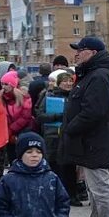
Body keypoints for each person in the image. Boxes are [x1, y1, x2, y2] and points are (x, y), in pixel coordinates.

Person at [60, 36, 109, 217]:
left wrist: (70, 128)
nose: (77, 53)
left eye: (81, 50)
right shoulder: (92, 74)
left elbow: (92, 112)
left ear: (93, 53)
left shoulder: (98, 76)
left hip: (96, 142)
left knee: (100, 191)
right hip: (90, 142)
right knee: (94, 191)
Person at [35, 71, 79, 207]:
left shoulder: (75, 97)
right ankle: (54, 196)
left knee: (69, 167)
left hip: (70, 136)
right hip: (52, 136)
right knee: (54, 166)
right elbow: (39, 115)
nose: (68, 83)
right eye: (65, 81)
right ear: (59, 83)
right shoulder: (49, 96)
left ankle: (72, 195)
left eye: (70, 81)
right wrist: (56, 116)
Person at [0, 71, 34, 164]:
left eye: (6, 84)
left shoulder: (24, 97)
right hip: (9, 135)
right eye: (2, 84)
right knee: (12, 159)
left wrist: (11, 130)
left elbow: (25, 117)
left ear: (13, 85)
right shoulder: (1, 98)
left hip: (22, 132)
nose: (3, 87)